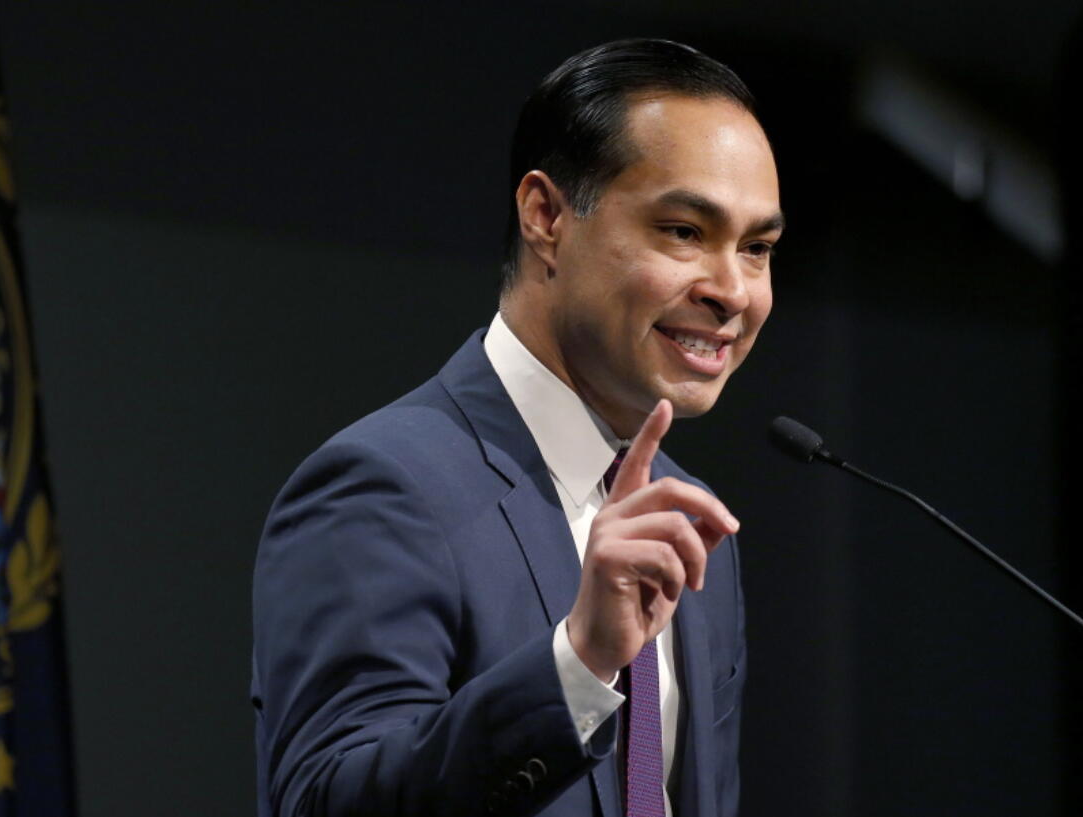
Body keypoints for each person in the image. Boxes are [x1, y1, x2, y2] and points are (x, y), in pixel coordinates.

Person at [252, 38, 783, 817]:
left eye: (758, 248)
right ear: (545, 217)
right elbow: (324, 802)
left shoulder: (690, 522)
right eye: (682, 231)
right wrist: (580, 661)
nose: (732, 290)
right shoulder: (384, 485)